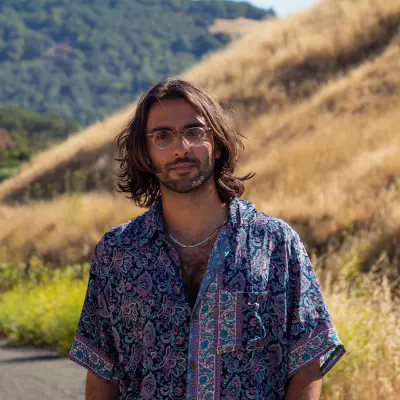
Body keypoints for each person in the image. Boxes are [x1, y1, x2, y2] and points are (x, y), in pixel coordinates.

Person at [68, 78, 345, 399]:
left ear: (217, 143)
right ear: (145, 153)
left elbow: (306, 365)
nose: (180, 147)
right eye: (162, 136)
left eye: (194, 132)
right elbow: (103, 374)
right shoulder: (118, 252)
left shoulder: (276, 244)